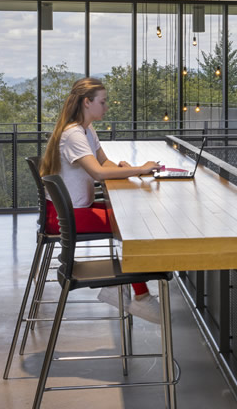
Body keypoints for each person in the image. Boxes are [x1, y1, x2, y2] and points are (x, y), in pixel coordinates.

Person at [40, 77, 161, 323]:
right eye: (102, 102)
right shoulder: (74, 134)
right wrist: (139, 169)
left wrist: (123, 167)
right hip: (66, 217)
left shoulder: (86, 129)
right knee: (132, 227)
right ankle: (140, 296)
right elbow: (97, 173)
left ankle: (122, 289)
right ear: (87, 102)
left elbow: (103, 163)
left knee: (128, 219)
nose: (106, 107)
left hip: (74, 209)